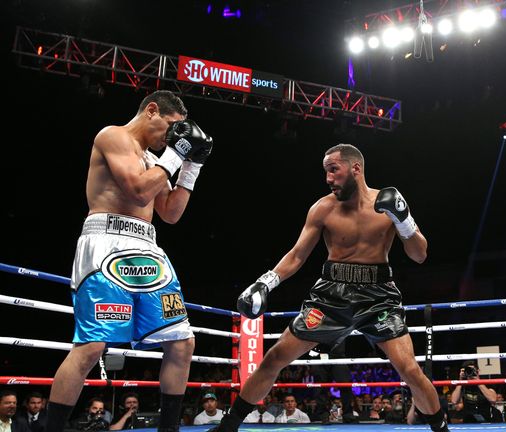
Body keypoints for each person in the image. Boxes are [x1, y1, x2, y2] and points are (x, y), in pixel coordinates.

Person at [212, 143, 448, 432]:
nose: (328, 178)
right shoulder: (323, 208)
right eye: (325, 172)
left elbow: (419, 254)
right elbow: (298, 254)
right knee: (274, 357)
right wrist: (265, 282)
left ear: (355, 168)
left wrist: (404, 219)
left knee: (410, 369)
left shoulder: (387, 203)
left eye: (333, 170)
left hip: (379, 296)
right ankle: (228, 427)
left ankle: (441, 430)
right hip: (330, 295)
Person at [44, 90, 213, 432]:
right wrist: (176, 154)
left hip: (148, 247)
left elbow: (170, 213)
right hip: (105, 242)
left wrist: (192, 166)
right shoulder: (113, 136)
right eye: (170, 127)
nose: (172, 137)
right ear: (152, 110)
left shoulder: (154, 160)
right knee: (91, 347)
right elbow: (137, 191)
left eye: (178, 133)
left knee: (182, 343)